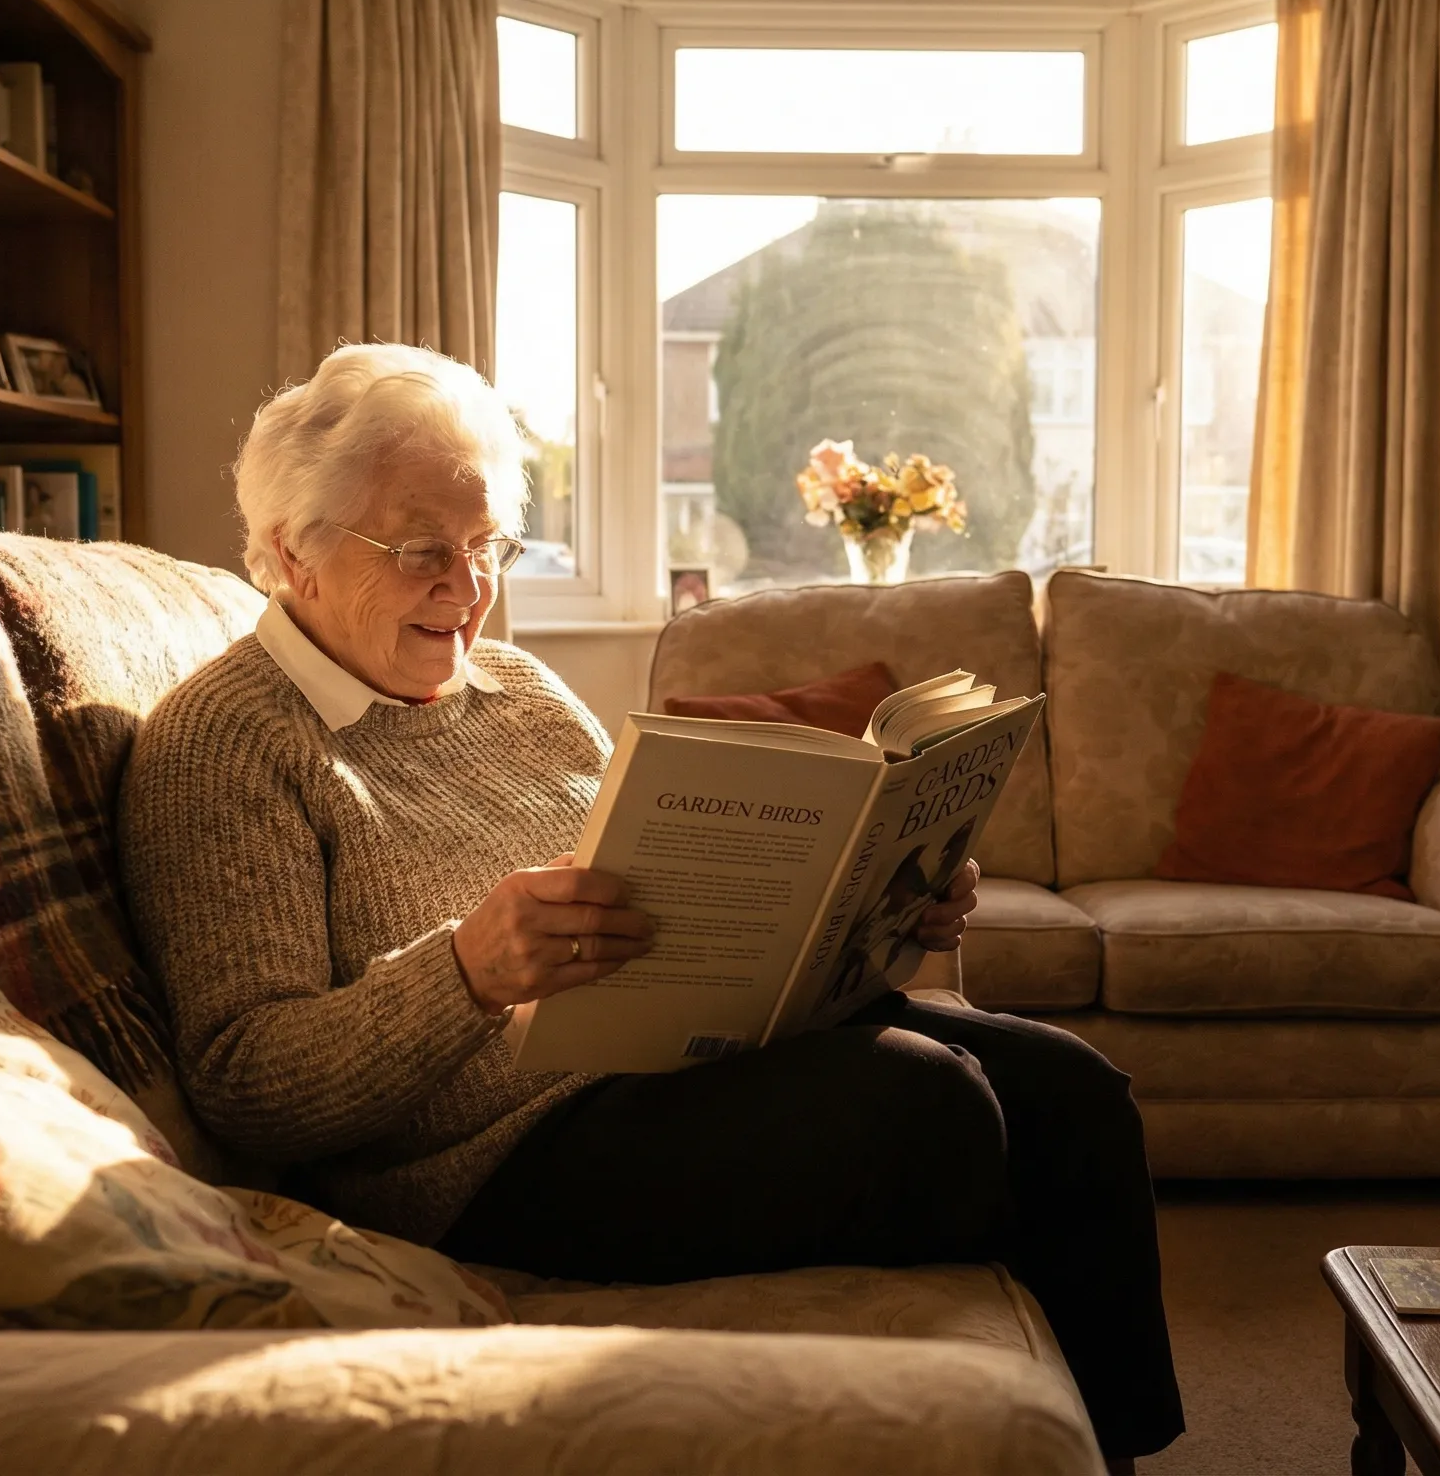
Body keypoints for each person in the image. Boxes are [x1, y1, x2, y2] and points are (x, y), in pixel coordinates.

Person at [121, 342, 1182, 1465]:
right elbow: (247, 1083)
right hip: (491, 1155)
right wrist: (467, 973)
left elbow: (654, 881)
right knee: (927, 1107)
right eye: (424, 551)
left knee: (1076, 1092)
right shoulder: (225, 745)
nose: (470, 590)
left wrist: (877, 906)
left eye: (487, 548)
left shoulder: (517, 690)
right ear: (293, 553)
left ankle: (1114, 1459)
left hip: (667, 1056)